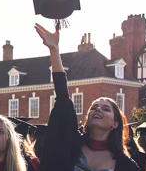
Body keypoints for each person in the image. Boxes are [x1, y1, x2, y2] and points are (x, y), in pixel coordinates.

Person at [34, 22, 138, 171]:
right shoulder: (71, 148)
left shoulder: (126, 165)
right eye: (94, 107)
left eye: (106, 109)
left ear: (115, 123)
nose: (98, 110)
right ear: (86, 119)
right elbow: (63, 98)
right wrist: (54, 50)